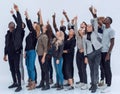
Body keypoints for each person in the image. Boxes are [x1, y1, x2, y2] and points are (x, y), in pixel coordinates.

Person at [3, 4, 23, 92]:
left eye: (12, 26)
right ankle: (14, 82)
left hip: (16, 53)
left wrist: (16, 11)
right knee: (11, 69)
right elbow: (6, 45)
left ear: (14, 27)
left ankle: (19, 85)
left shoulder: (17, 31)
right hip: (10, 54)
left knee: (17, 69)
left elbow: (19, 21)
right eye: (10, 26)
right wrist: (5, 54)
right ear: (8, 27)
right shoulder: (7, 35)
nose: (11, 27)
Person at [83, 6, 102, 93]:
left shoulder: (95, 32)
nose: (89, 27)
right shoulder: (84, 36)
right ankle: (93, 83)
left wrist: (94, 14)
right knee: (91, 69)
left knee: (95, 68)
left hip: (97, 51)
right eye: (88, 27)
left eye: (91, 26)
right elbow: (85, 47)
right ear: (86, 28)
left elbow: (95, 21)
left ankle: (95, 85)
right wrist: (85, 56)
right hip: (90, 54)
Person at [24, 10, 40, 90]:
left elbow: (29, 25)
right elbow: (26, 44)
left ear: (36, 27)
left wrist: (27, 16)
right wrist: (25, 52)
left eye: (34, 24)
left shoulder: (35, 33)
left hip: (32, 52)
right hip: (27, 52)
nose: (33, 24)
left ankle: (33, 83)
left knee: (31, 67)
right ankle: (30, 81)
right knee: (27, 66)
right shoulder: (30, 33)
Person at [99, 16, 115, 93]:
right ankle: (105, 83)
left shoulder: (111, 30)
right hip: (101, 51)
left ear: (109, 22)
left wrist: (108, 54)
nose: (104, 19)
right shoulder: (104, 28)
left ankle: (108, 84)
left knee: (107, 68)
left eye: (106, 19)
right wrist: (93, 12)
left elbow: (112, 43)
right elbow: (97, 20)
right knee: (103, 67)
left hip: (106, 52)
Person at [10, 8, 26, 85]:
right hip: (15, 49)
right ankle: (17, 80)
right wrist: (13, 14)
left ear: (23, 26)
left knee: (20, 64)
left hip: (19, 49)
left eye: (22, 24)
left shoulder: (21, 31)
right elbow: (18, 22)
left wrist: (15, 13)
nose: (20, 24)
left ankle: (22, 79)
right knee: (16, 66)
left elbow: (18, 22)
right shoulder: (16, 30)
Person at [36, 10, 50, 90]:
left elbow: (45, 48)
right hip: (39, 55)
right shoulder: (41, 34)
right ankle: (42, 83)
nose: (43, 26)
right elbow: (40, 24)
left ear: (46, 29)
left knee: (45, 70)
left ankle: (47, 85)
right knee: (42, 69)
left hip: (43, 56)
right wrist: (40, 15)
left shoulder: (44, 36)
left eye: (44, 26)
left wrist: (44, 57)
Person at [73, 16, 88, 90]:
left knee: (83, 68)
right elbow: (75, 30)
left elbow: (87, 43)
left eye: (83, 24)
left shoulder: (87, 34)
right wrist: (76, 21)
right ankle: (81, 81)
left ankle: (85, 83)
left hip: (84, 53)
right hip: (78, 53)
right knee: (79, 68)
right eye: (81, 24)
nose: (82, 25)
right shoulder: (78, 35)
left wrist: (81, 33)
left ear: (85, 26)